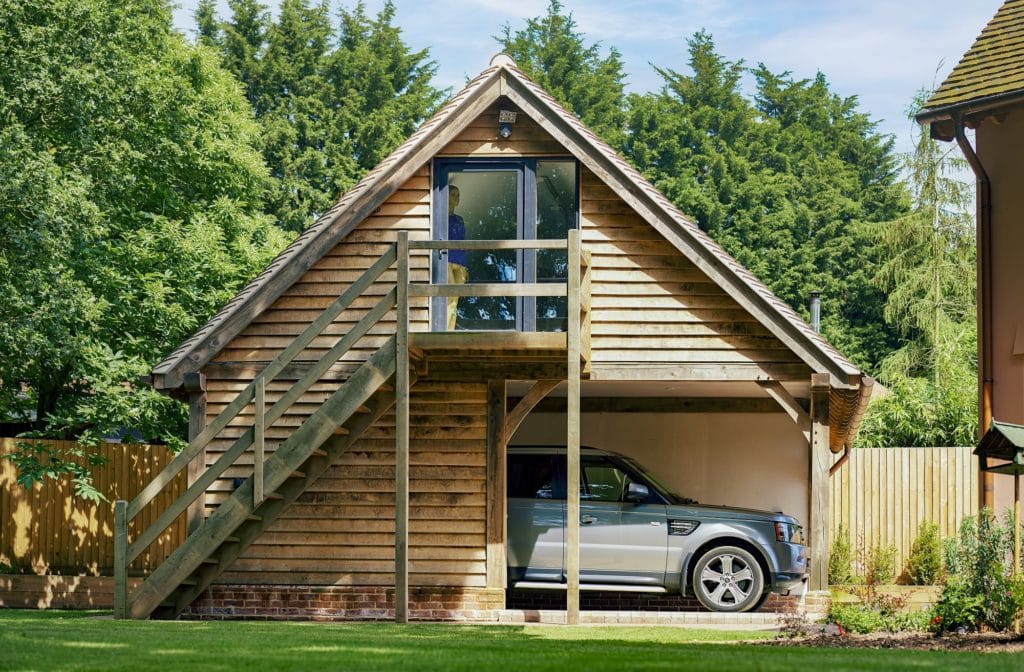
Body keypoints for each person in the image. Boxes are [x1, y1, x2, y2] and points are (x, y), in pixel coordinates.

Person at [446, 185, 468, 330]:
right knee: (448, 299)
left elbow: (463, 244)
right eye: (453, 194)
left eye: (458, 195)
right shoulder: (439, 218)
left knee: (455, 300)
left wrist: (466, 267)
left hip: (460, 263)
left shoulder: (459, 220)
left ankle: (450, 328)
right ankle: (445, 330)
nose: (456, 198)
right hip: (446, 260)